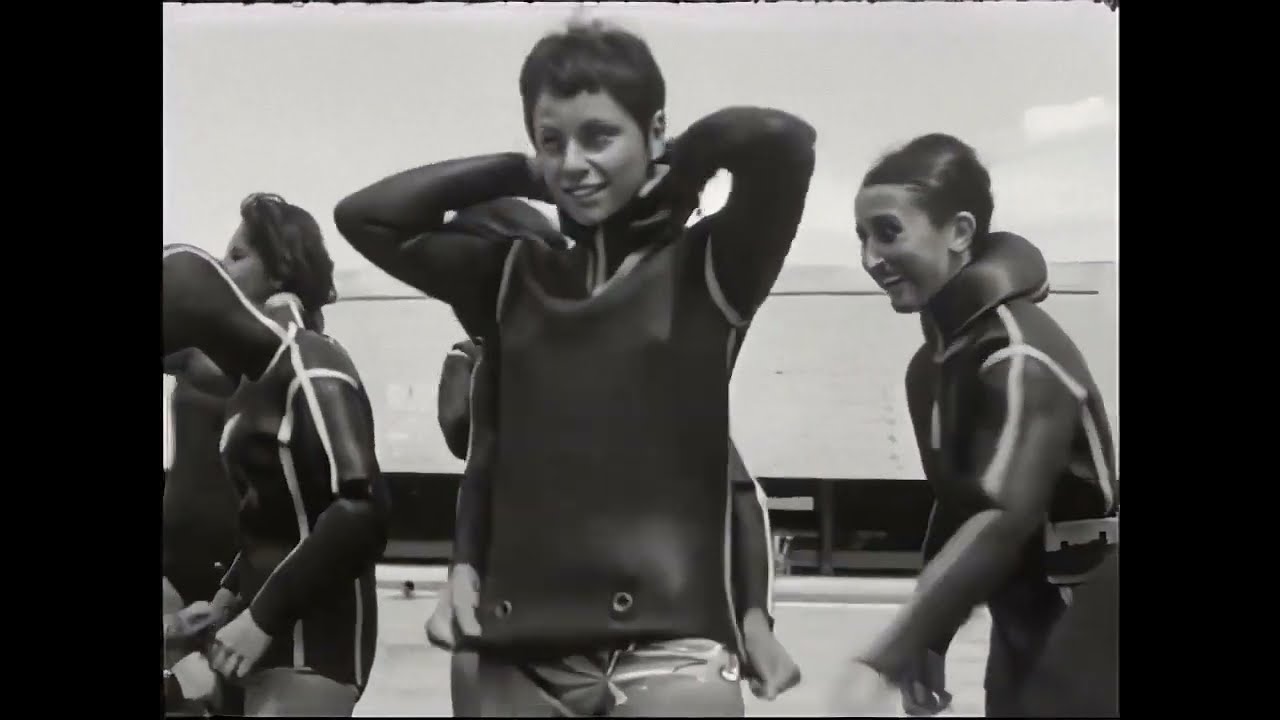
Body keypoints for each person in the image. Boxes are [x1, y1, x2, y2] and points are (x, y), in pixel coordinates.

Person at [335, 18, 809, 716]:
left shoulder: (711, 269)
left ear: (653, 131)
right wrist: (520, 169)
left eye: (599, 136)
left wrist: (680, 165)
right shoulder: (511, 276)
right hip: (516, 648)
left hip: (669, 648)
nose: (572, 163)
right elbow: (366, 218)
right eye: (551, 140)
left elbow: (781, 142)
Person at [832, 134, 1119, 718]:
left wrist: (890, 654)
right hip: (1022, 625)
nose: (870, 258)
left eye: (888, 232)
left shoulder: (1018, 352)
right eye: (862, 237)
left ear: (960, 232)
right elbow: (959, 506)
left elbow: (1002, 515)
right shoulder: (932, 367)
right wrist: (931, 639)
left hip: (1090, 623)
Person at [164, 193, 391, 717]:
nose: (224, 270)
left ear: (281, 270)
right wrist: (226, 600)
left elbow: (362, 511)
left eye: (238, 255)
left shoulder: (311, 360)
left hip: (313, 649)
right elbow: (269, 519)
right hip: (263, 642)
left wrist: (261, 617)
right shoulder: (252, 382)